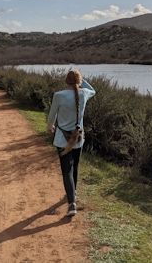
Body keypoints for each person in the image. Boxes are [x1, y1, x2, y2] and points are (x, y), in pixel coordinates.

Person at [47, 69, 95, 217]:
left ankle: (71, 203)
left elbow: (52, 115)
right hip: (78, 139)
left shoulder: (59, 96)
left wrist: (50, 127)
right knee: (75, 166)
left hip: (62, 139)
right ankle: (73, 192)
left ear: (65, 81)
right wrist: (80, 80)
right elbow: (92, 89)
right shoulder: (84, 94)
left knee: (66, 170)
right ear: (79, 81)